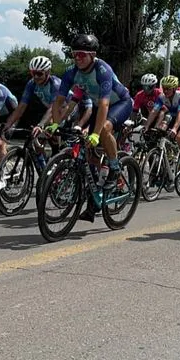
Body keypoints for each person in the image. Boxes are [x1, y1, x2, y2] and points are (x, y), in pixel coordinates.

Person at [46, 34, 133, 222]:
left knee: (103, 131)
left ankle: (115, 167)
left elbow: (104, 105)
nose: (77, 58)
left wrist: (95, 133)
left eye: (82, 55)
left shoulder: (103, 70)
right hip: (98, 106)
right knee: (88, 152)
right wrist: (55, 123)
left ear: (92, 55)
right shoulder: (71, 72)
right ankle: (95, 196)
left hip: (120, 103)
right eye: (74, 54)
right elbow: (59, 101)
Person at [145, 75, 180, 176]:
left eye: (168, 89)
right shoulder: (161, 97)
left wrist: (174, 128)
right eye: (164, 88)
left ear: (174, 88)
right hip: (175, 116)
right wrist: (147, 126)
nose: (165, 91)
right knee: (161, 130)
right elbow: (154, 111)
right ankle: (168, 154)